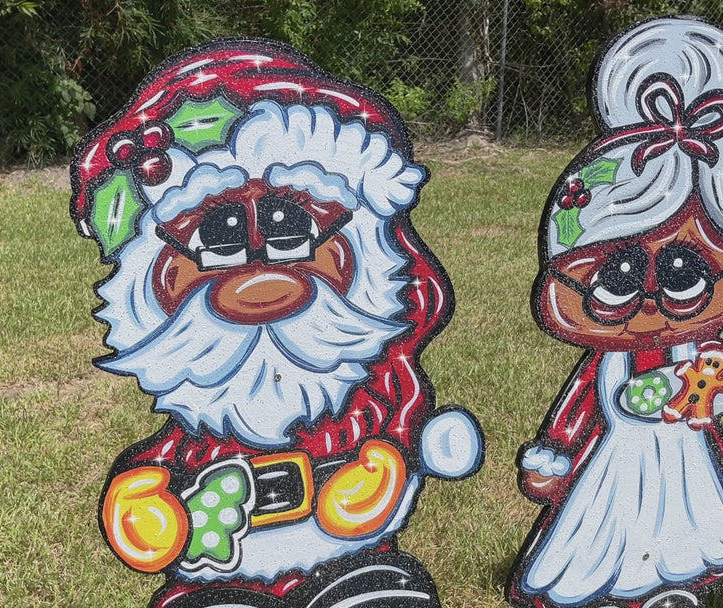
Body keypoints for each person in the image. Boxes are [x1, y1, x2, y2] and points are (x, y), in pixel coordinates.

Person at [69, 38, 483, 608]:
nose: (257, 266)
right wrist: (146, 506)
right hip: (219, 574)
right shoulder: (197, 441)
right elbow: (149, 484)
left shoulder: (365, 408)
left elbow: (402, 439)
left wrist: (398, 458)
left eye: (291, 224)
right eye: (217, 237)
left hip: (347, 556)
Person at [507, 17, 723, 608]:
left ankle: (675, 579)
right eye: (616, 277)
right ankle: (623, 583)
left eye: (687, 274)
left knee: (691, 519)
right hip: (619, 462)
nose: (650, 304)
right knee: (608, 530)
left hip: (684, 456)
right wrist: (554, 453)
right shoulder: (607, 359)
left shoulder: (696, 348)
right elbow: (580, 401)